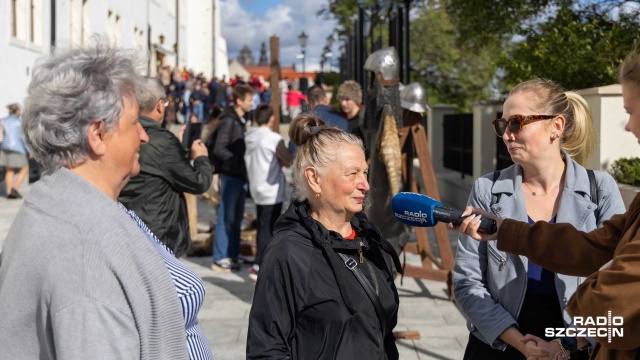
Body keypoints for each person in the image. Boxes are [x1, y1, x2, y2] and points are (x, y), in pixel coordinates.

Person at [0, 45, 212, 359]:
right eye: (132, 123)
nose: (144, 136)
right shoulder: (84, 261)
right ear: (97, 135)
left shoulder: (81, 204)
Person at [455, 51, 640, 360]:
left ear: (556, 126)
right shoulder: (487, 189)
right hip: (500, 345)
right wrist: (519, 342)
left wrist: (570, 342)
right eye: (502, 125)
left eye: (516, 122)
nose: (507, 134)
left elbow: (614, 282)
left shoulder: (600, 188)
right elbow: (466, 283)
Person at [246, 114, 403, 359]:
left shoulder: (370, 240)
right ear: (314, 179)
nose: (365, 184)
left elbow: (382, 334)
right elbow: (267, 349)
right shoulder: (288, 252)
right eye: (352, 174)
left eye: (365, 172)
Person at [119, 77, 213, 258]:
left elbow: (158, 167)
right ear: (159, 106)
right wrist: (201, 158)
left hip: (128, 227)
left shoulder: (122, 132)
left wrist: (180, 150)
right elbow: (198, 182)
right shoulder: (162, 141)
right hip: (158, 232)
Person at [244, 103, 292, 281]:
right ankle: (261, 264)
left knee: (263, 226)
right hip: (271, 189)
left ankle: (261, 262)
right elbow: (287, 160)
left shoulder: (250, 136)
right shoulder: (272, 138)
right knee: (269, 227)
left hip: (256, 185)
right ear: (271, 118)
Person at [211, 83, 254, 272]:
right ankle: (220, 257)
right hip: (231, 175)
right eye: (249, 100)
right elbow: (219, 148)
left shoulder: (240, 119)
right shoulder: (229, 120)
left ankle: (233, 253)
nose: (252, 103)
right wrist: (236, 161)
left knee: (236, 218)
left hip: (239, 175)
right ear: (239, 101)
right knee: (225, 217)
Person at [0, 103, 30, 199]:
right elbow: (23, 138)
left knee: (10, 169)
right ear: (17, 111)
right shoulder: (19, 122)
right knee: (25, 168)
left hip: (4, 148)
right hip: (17, 148)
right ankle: (15, 189)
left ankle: (9, 193)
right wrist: (29, 150)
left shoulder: (3, 120)